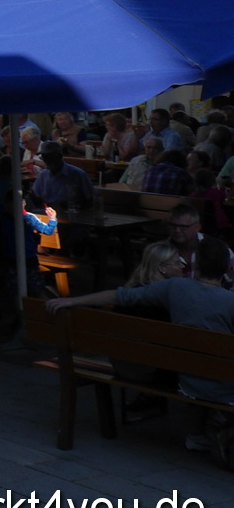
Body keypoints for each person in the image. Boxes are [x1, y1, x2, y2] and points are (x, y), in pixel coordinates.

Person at [49, 237, 234, 452]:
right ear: (228, 268)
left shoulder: (175, 287)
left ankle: (199, 433)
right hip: (225, 388)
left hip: (188, 382)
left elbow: (121, 296)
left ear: (196, 264)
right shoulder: (229, 301)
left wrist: (72, 300)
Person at [32, 142, 95, 211]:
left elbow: (91, 200)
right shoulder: (43, 175)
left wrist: (76, 206)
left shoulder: (77, 174)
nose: (47, 160)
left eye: (50, 157)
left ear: (60, 156)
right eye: (44, 157)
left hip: (72, 215)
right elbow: (36, 196)